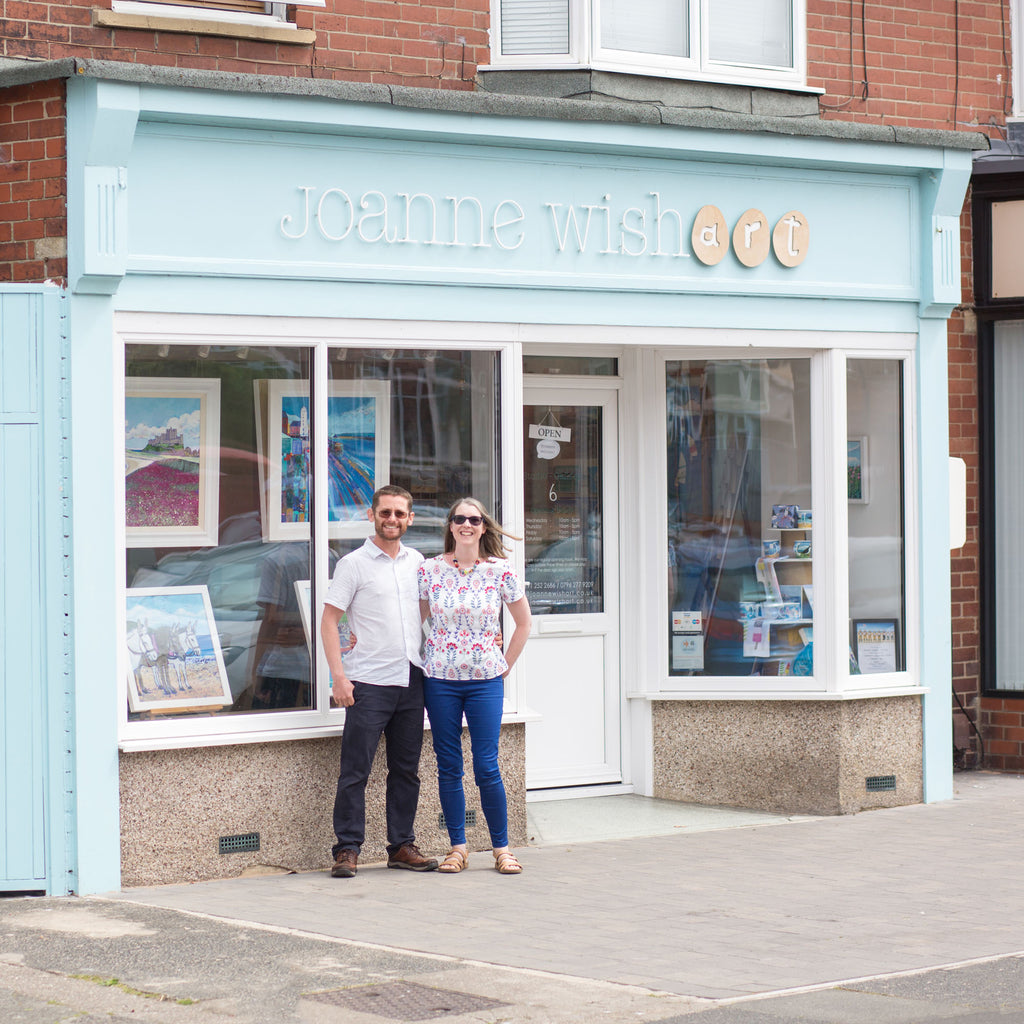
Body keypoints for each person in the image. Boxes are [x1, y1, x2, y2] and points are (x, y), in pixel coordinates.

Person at [321, 485, 438, 878]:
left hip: (410, 679)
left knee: (406, 770)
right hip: (367, 681)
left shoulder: (417, 561)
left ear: (410, 518)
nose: (392, 520)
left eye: (399, 514)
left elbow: (422, 612)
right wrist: (340, 677)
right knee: (356, 770)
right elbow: (329, 621)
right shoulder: (353, 564)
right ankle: (347, 849)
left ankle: (401, 845)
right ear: (372, 515)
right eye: (385, 512)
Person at [417, 497, 532, 875]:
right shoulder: (429, 570)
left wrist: (505, 666)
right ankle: (458, 847)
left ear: (484, 527)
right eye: (460, 519)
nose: (467, 524)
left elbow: (524, 623)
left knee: (487, 766)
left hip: (485, 682)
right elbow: (416, 621)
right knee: (449, 766)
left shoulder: (500, 571)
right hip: (441, 681)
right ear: (450, 526)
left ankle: (502, 848)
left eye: (474, 519)